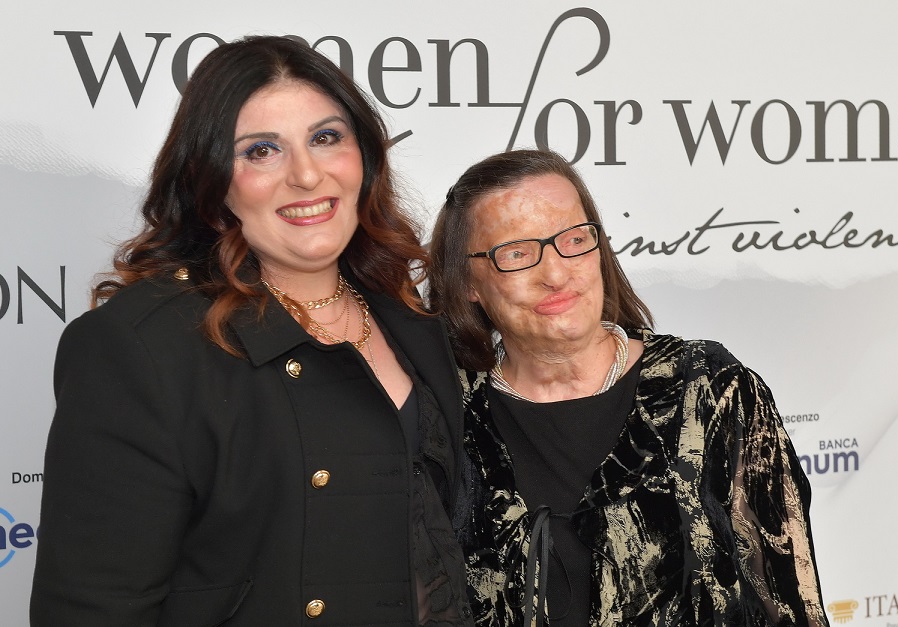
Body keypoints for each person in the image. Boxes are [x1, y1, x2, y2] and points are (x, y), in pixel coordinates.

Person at [31, 36, 473, 626]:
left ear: (364, 158)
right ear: (212, 184)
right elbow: (92, 610)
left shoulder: (409, 316)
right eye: (261, 151)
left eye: (326, 137)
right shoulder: (141, 347)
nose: (307, 175)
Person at [427, 149, 830, 626]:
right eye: (516, 253)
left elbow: (789, 601)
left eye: (574, 240)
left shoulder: (710, 391)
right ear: (467, 282)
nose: (555, 274)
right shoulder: (448, 419)